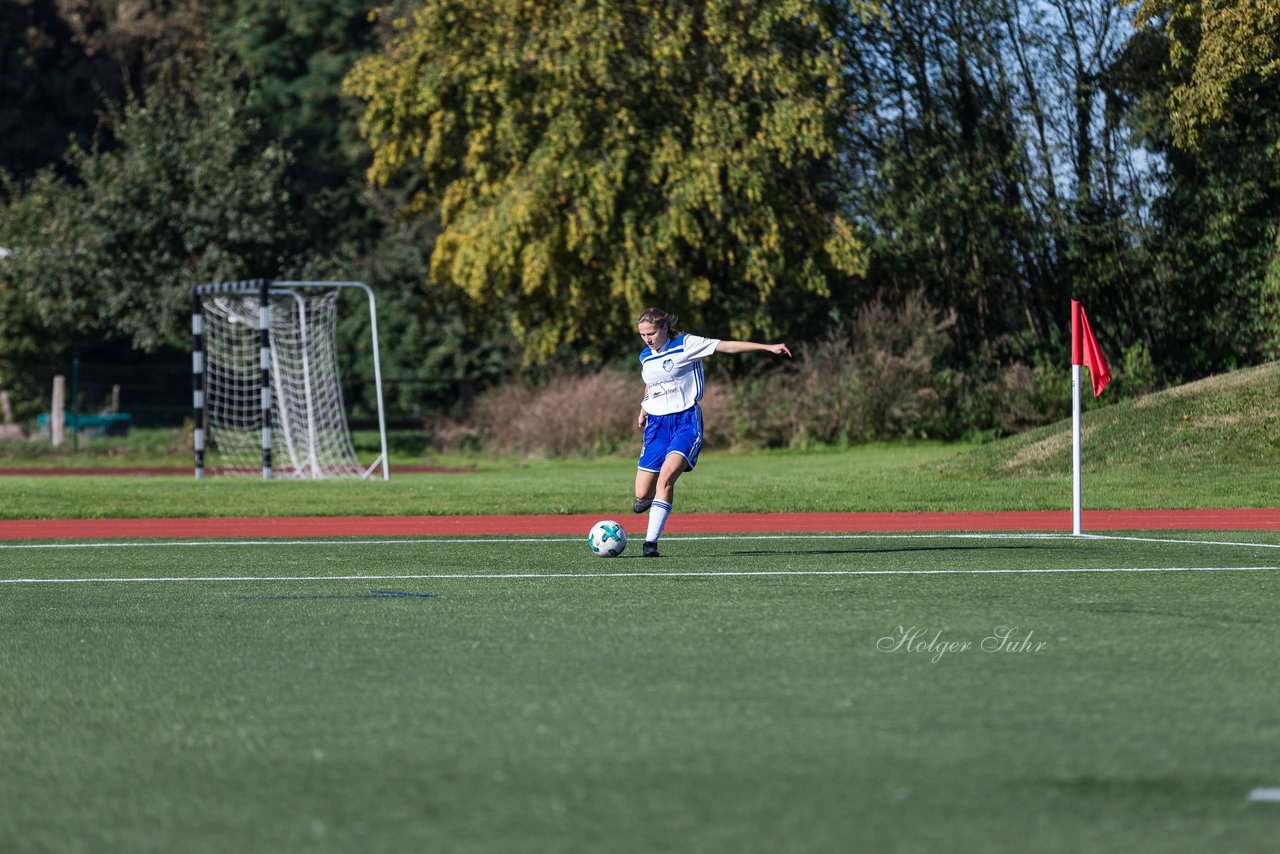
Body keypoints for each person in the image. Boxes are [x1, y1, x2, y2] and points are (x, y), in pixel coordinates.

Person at [632, 307, 791, 557]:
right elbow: (651, 383)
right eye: (642, 335)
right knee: (642, 493)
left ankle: (650, 542)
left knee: (666, 477)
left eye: (651, 333)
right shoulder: (645, 355)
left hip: (685, 421)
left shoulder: (686, 344)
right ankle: (650, 501)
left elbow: (726, 346)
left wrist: (767, 347)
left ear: (664, 328)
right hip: (656, 426)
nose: (647, 339)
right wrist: (643, 409)